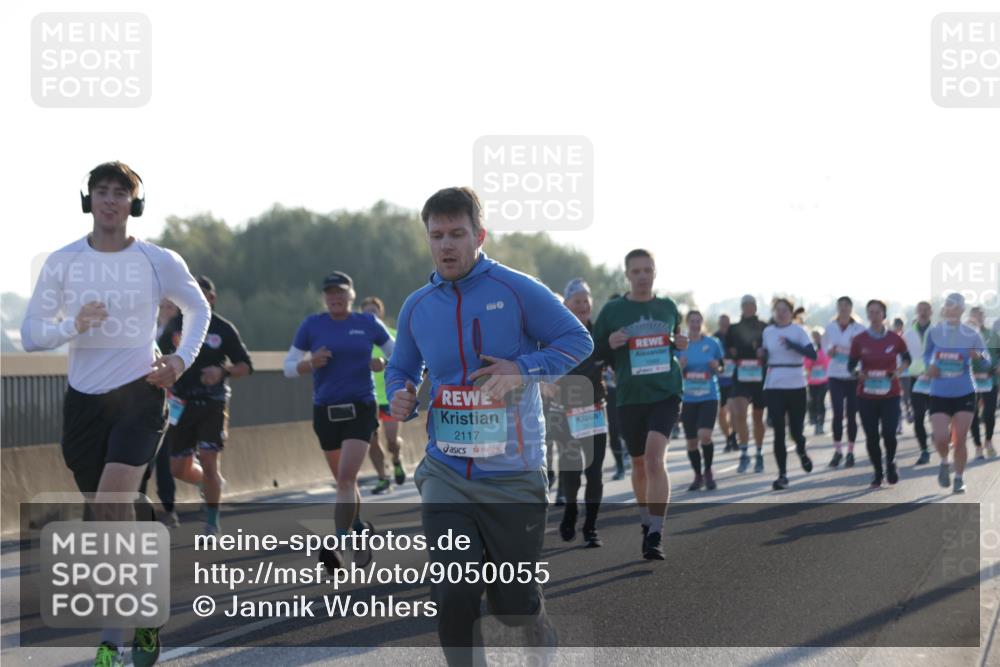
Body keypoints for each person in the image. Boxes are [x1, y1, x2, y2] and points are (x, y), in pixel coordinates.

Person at [386, 187, 591, 666]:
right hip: (446, 471)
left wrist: (522, 368)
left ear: (479, 236)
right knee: (454, 591)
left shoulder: (516, 289)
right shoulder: (417, 305)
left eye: (457, 234)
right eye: (437, 235)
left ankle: (537, 625)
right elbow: (402, 367)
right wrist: (401, 393)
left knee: (514, 605)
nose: (446, 245)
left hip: (513, 473)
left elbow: (577, 339)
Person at [21, 161, 211, 667]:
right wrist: (73, 325)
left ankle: (111, 639)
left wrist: (179, 360)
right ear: (89, 200)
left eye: (120, 193)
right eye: (102, 191)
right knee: (109, 517)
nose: (110, 200)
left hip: (140, 395)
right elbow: (32, 333)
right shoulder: (63, 262)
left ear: (135, 203)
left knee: (110, 505)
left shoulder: (157, 260)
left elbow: (198, 309)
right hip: (84, 403)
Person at [283, 271, 394, 569]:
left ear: (351, 295)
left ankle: (337, 546)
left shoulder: (367, 323)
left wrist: (383, 363)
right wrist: (310, 363)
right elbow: (288, 367)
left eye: (341, 292)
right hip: (326, 411)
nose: (335, 297)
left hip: (361, 407)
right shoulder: (312, 325)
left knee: (345, 479)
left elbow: (398, 354)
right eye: (330, 293)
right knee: (345, 482)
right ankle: (359, 531)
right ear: (324, 297)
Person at [593, 249, 687, 560]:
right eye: (636, 271)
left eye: (648, 270)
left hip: (666, 393)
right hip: (630, 397)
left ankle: (656, 533)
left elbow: (675, 339)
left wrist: (680, 342)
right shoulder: (613, 311)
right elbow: (593, 349)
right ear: (627, 275)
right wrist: (610, 343)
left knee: (654, 459)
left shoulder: (667, 307)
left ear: (655, 272)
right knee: (638, 464)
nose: (643, 276)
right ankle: (646, 521)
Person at [162, 276, 253, 535]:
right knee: (177, 468)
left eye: (201, 295)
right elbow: (157, 356)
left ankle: (212, 523)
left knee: (209, 459)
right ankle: (209, 482)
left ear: (212, 299)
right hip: (181, 404)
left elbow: (246, 366)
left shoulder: (223, 329)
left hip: (212, 403)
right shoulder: (176, 326)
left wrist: (222, 371)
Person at [554, 278, 608, 547]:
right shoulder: (556, 335)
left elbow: (616, 359)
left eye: (586, 300)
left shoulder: (601, 335)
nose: (583, 305)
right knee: (572, 472)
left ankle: (591, 527)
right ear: (566, 305)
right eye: (577, 301)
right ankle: (571, 509)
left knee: (595, 472)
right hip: (565, 414)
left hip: (596, 411)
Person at [925, 293, 986, 494]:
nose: (952, 311)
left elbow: (986, 357)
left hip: (964, 391)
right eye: (949, 307)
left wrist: (977, 355)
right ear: (944, 310)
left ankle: (959, 478)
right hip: (939, 391)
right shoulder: (934, 332)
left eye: (956, 308)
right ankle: (944, 461)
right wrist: (929, 367)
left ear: (962, 310)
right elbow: (926, 355)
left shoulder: (971, 333)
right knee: (941, 438)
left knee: (960, 439)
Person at [848, 300, 911, 487]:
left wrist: (898, 371)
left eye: (877, 312)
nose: (874, 316)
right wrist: (858, 374)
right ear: (867, 315)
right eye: (871, 312)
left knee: (889, 433)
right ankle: (877, 472)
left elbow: (907, 359)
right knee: (872, 436)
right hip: (866, 395)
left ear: (884, 314)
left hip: (890, 394)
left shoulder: (895, 338)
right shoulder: (859, 340)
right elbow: (851, 365)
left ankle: (890, 463)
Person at [760, 298, 816, 490]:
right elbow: (766, 355)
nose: (781, 313)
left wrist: (793, 345)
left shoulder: (799, 331)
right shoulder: (768, 331)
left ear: (791, 313)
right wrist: (762, 354)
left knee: (796, 431)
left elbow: (812, 354)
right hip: (774, 384)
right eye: (778, 310)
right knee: (778, 431)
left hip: (796, 384)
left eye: (785, 310)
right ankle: (782, 475)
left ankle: (801, 450)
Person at [360, 296, 407, 493]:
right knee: (372, 441)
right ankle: (382, 477)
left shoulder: (392, 336)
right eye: (366, 312)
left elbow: (406, 361)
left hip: (390, 396)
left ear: (381, 313)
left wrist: (384, 364)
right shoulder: (357, 338)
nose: (370, 315)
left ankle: (396, 459)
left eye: (374, 311)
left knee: (391, 441)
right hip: (366, 397)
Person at [678, 311, 724, 491]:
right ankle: (698, 475)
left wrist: (717, 367)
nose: (695, 324)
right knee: (691, 442)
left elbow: (723, 368)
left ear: (702, 323)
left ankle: (708, 471)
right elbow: (673, 372)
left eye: (698, 321)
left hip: (708, 396)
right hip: (688, 398)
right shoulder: (680, 345)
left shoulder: (712, 343)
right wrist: (679, 367)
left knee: (705, 435)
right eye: (692, 321)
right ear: (687, 323)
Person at [725, 295, 768, 474]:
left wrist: (762, 353)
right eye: (745, 305)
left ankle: (759, 452)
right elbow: (728, 350)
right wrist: (734, 353)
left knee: (758, 418)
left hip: (758, 377)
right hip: (741, 376)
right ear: (741, 308)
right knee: (740, 413)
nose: (748, 308)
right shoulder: (734, 328)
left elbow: (769, 351)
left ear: (755, 307)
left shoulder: (764, 327)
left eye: (751, 305)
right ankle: (744, 454)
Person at [821, 296, 866, 468]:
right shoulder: (830, 327)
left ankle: (851, 452)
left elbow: (865, 350)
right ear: (837, 308)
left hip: (853, 376)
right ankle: (838, 451)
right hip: (835, 375)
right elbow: (825, 348)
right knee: (837, 413)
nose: (844, 308)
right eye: (840, 305)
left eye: (847, 305)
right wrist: (830, 351)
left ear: (851, 308)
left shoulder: (859, 328)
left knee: (852, 415)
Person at [152, 299, 180, 528]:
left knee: (164, 455)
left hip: (172, 400)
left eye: (171, 305)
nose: (166, 309)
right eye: (163, 305)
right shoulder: (146, 325)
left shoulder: (180, 331)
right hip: (144, 398)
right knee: (141, 459)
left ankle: (169, 508)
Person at [903, 301, 935, 464]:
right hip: (916, 379)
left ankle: (940, 435)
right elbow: (902, 356)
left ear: (931, 312)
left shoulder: (938, 331)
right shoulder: (908, 334)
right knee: (919, 417)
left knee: (937, 416)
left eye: (926, 309)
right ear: (916, 311)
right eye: (920, 309)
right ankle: (924, 450)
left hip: (935, 379)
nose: (923, 312)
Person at [968, 306, 999, 459]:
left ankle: (988, 441)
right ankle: (978, 446)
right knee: (972, 413)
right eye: (975, 315)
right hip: (971, 380)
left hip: (990, 378)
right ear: (970, 317)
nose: (978, 318)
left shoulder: (992, 334)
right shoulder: (965, 335)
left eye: (980, 315)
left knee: (989, 412)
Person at [713, 314, 737, 451]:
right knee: (721, 413)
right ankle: (728, 437)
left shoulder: (735, 337)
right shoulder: (714, 338)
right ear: (719, 324)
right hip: (719, 381)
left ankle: (734, 436)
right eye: (722, 323)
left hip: (733, 380)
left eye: (727, 323)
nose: (724, 326)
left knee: (734, 411)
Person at [803, 328, 830, 436]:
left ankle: (820, 424)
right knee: (812, 401)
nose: (816, 338)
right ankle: (813, 418)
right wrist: (812, 360)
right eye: (814, 337)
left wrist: (820, 361)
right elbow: (806, 363)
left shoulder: (826, 347)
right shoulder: (810, 348)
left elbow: (828, 361)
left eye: (818, 336)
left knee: (820, 401)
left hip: (824, 380)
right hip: (812, 381)